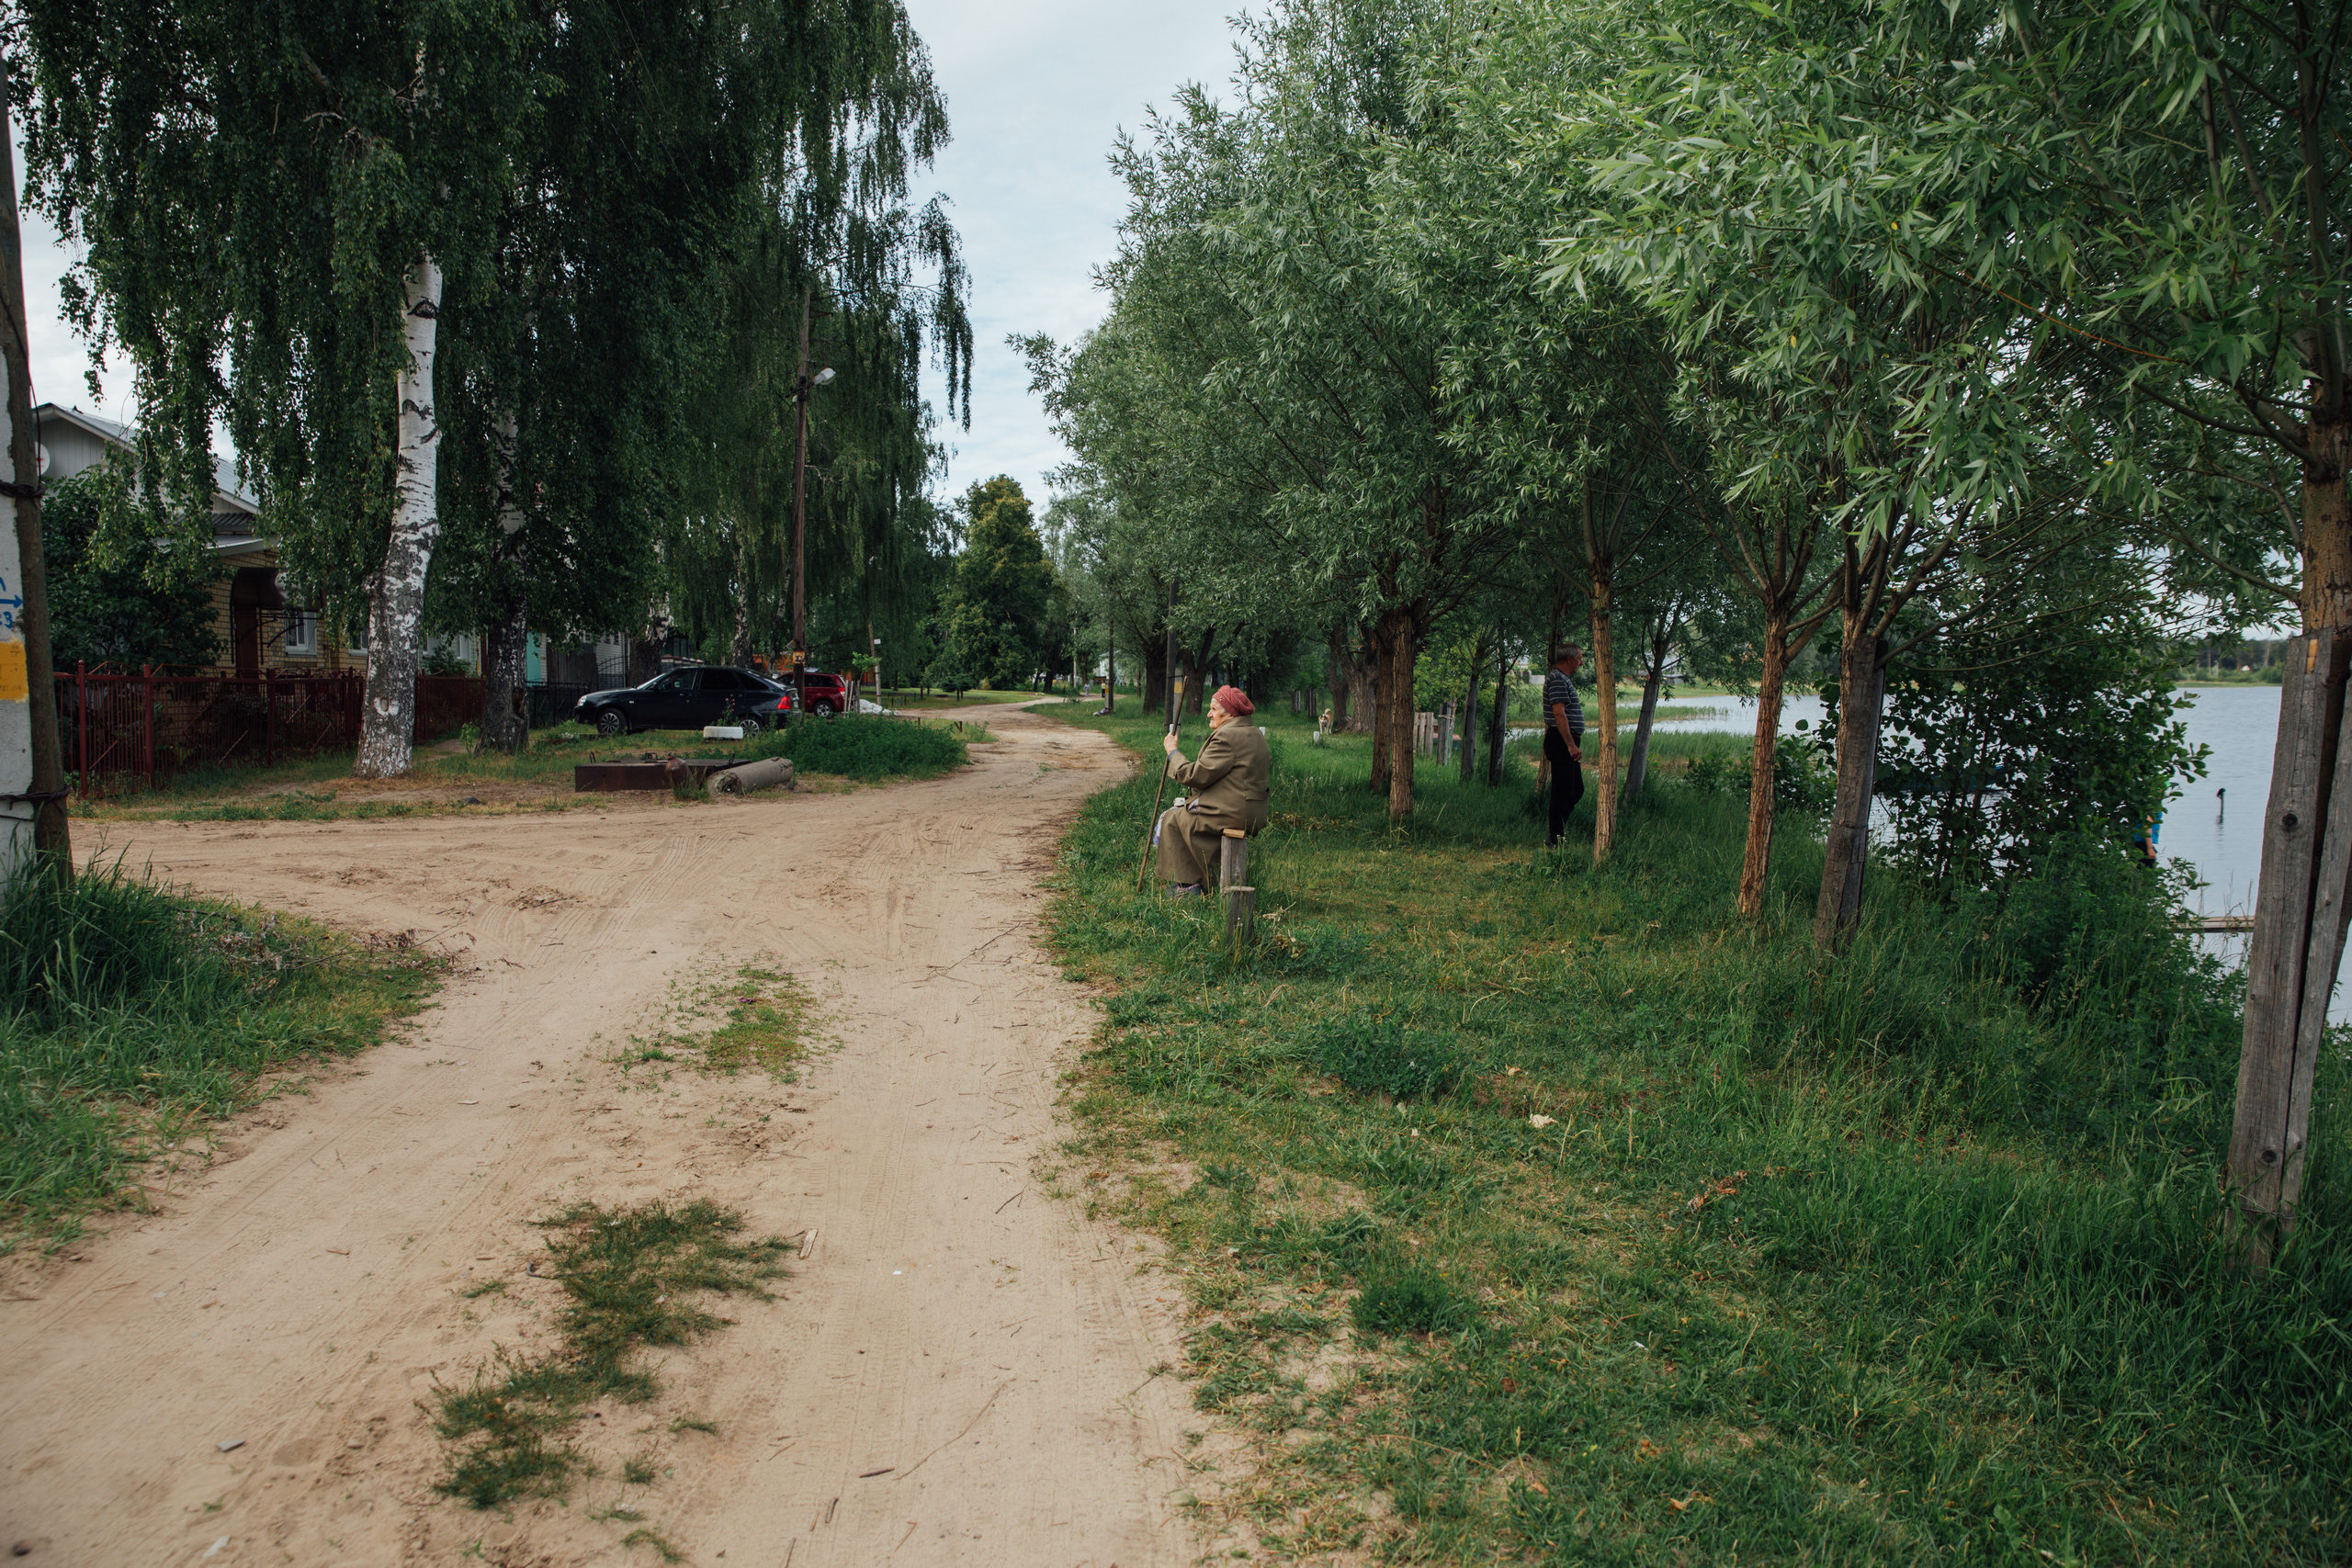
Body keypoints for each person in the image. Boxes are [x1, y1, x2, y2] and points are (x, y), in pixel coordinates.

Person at [1156, 685, 1272, 895]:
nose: (1209, 714)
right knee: (1181, 812)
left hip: (1234, 811)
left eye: (1214, 709)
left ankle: (1189, 886)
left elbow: (1196, 776)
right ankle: (1199, 880)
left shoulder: (1227, 737)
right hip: (1250, 809)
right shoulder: (1253, 733)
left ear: (1229, 714)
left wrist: (1173, 753)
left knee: (1172, 819)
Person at [1543, 643, 1585, 846]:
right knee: (1563, 791)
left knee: (1576, 790)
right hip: (1561, 741)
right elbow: (1559, 714)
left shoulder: (1562, 679)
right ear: (1569, 659)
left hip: (1566, 740)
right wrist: (1570, 745)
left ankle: (1555, 833)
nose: (1581, 662)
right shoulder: (1558, 679)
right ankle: (1556, 840)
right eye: (1580, 658)